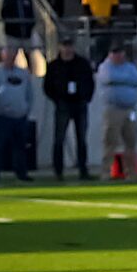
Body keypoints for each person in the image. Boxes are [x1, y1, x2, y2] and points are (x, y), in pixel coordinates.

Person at [43, 42, 95, 180]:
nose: (67, 49)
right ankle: (58, 171)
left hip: (79, 104)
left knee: (81, 139)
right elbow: (47, 86)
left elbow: (90, 82)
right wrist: (57, 99)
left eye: (70, 46)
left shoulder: (82, 64)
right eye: (65, 46)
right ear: (60, 47)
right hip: (63, 105)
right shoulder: (54, 65)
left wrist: (86, 98)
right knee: (59, 139)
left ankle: (83, 169)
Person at [0, 51, 38, 182]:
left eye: (13, 56)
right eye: (8, 56)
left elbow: (29, 93)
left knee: (20, 146)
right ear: (3, 56)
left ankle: (21, 173)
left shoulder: (23, 73)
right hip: (3, 116)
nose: (11, 58)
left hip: (20, 116)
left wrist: (26, 109)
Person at [96, 44, 137, 179]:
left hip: (130, 109)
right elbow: (109, 78)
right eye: (115, 53)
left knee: (131, 142)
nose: (118, 55)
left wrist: (120, 79)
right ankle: (106, 172)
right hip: (113, 109)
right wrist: (125, 79)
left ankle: (132, 173)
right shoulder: (105, 67)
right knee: (110, 142)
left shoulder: (130, 67)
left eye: (120, 52)